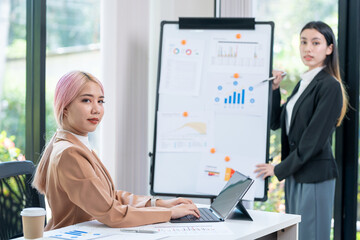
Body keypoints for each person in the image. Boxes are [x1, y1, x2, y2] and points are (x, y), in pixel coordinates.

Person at [32, 71, 200, 230]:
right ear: (65, 107)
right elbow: (111, 213)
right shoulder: (70, 153)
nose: (96, 109)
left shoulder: (74, 144)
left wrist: (159, 204)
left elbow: (109, 196)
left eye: (100, 101)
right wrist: (169, 213)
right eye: (86, 100)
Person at [254, 21, 348, 240]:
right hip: (297, 173)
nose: (308, 48)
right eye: (303, 42)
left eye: (316, 42)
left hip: (315, 175)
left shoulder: (330, 86)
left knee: (311, 236)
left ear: (329, 49)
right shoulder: (304, 83)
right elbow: (277, 122)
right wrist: (275, 90)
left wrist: (277, 169)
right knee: (298, 235)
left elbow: (313, 141)